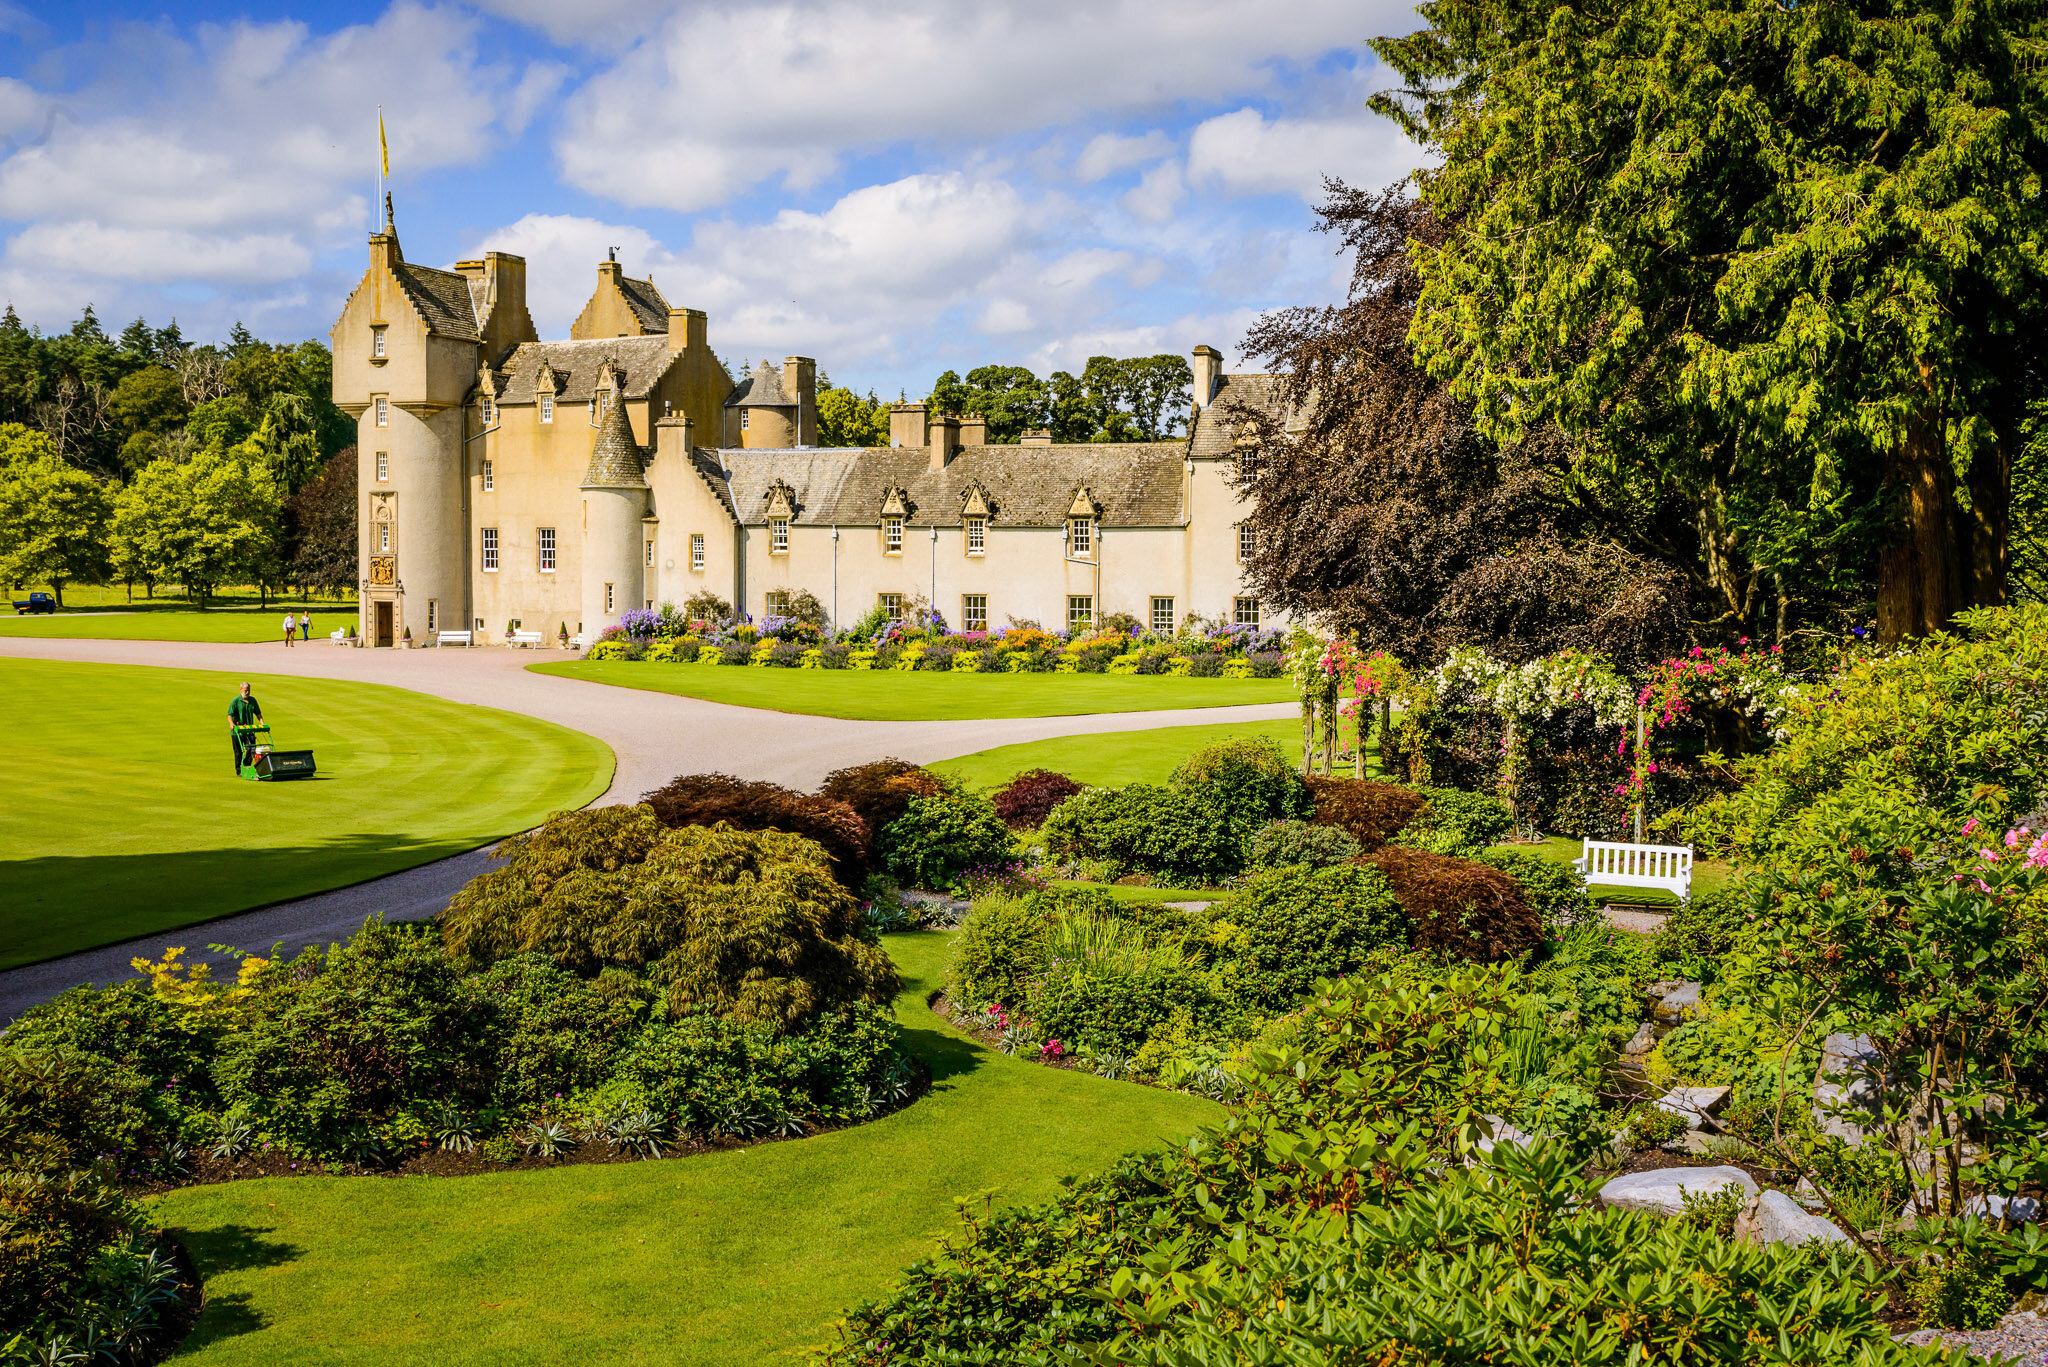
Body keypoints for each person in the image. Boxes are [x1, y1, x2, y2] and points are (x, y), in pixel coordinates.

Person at [228, 683, 263, 775]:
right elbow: (229, 715)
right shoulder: (235, 701)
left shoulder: (253, 700)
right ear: (241, 690)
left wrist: (262, 722)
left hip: (249, 730)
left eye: (248, 690)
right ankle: (239, 770)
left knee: (252, 749)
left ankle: (246, 766)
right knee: (238, 752)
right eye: (245, 690)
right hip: (237, 731)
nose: (247, 692)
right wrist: (231, 724)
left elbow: (258, 713)